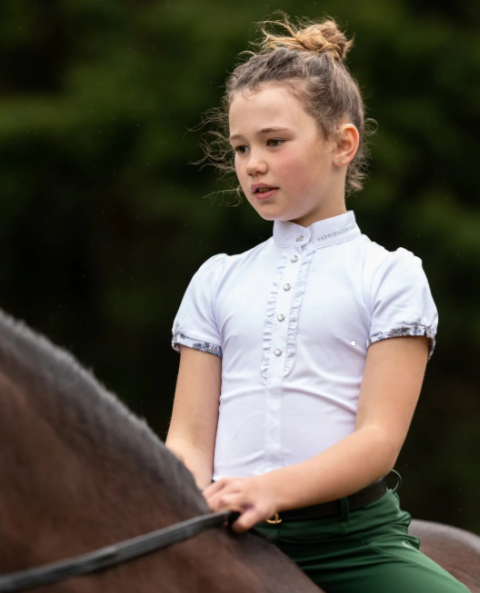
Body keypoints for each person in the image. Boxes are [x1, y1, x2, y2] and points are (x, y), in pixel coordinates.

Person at [166, 15, 468, 592]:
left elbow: (378, 441)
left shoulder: (391, 275)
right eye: (240, 147)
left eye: (274, 142)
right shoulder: (216, 280)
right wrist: (185, 504)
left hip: (354, 543)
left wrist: (270, 489)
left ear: (342, 144)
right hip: (226, 539)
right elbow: (188, 439)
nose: (252, 163)